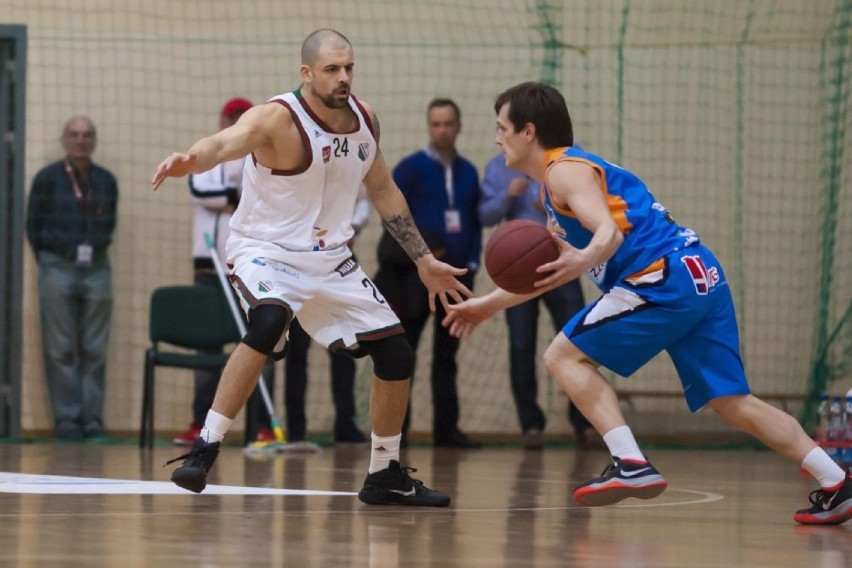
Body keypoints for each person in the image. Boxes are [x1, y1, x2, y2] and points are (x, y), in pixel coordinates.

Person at [443, 81, 852, 525]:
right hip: (700, 275)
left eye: (501, 127)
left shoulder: (564, 170)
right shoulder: (559, 186)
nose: (496, 137)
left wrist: (587, 255)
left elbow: (608, 233)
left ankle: (630, 462)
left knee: (563, 356)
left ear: (528, 131)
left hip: (661, 278)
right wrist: (487, 304)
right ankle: (837, 481)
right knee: (732, 400)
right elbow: (553, 272)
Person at [152, 29, 470, 507]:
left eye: (348, 68)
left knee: (397, 354)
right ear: (306, 73)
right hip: (266, 250)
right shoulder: (276, 118)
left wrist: (424, 260)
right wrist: (192, 160)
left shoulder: (365, 121)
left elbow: (383, 190)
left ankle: (384, 473)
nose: (343, 77)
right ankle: (205, 448)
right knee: (268, 317)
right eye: (331, 69)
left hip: (330, 260)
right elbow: (223, 143)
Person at [373, 98, 482, 449]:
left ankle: (446, 430)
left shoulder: (468, 171)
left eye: (448, 123)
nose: (442, 130)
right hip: (416, 278)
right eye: (436, 124)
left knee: (447, 355)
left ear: (458, 126)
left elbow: (474, 221)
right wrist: (422, 253)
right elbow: (393, 215)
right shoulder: (410, 168)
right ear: (428, 126)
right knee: (407, 349)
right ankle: (396, 431)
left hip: (459, 275)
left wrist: (474, 263)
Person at [173, 97, 277, 447]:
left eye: (240, 117)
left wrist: (234, 196)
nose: (234, 122)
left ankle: (262, 425)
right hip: (208, 269)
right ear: (221, 121)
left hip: (249, 269)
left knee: (261, 343)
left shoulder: (260, 155)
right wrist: (233, 194)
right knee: (207, 349)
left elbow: (264, 197)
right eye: (230, 118)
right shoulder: (211, 155)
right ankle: (200, 422)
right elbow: (199, 188)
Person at [479, 153, 600, 450]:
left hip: (563, 260)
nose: (502, 136)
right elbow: (484, 216)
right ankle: (530, 425)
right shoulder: (498, 166)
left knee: (579, 340)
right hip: (521, 270)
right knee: (521, 345)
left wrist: (563, 205)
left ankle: (585, 424)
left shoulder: (569, 162)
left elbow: (592, 210)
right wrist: (507, 197)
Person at [26, 115, 118, 441]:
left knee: (95, 348)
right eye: (74, 134)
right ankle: (67, 422)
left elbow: (109, 224)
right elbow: (32, 227)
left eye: (87, 135)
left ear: (94, 140)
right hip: (56, 267)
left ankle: (92, 422)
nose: (80, 140)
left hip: (97, 268)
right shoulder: (47, 179)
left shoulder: (106, 181)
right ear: (64, 140)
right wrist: (52, 259)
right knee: (60, 348)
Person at [284, 185, 370, 444]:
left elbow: (364, 196)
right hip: (300, 261)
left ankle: (345, 424)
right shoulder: (297, 158)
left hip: (337, 259)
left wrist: (353, 225)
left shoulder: (347, 151)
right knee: (296, 350)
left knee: (344, 347)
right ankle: (295, 430)